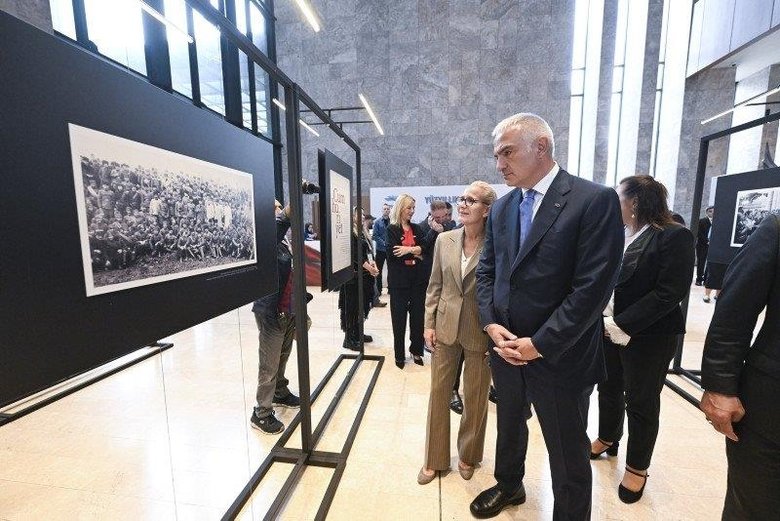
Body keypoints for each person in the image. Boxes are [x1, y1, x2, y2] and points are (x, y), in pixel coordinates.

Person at [472, 113, 624, 519]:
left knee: (566, 450)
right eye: (496, 155)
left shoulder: (592, 200)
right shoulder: (503, 208)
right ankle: (509, 485)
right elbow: (488, 271)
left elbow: (593, 288)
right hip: (505, 348)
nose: (499, 164)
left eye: (507, 152)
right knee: (509, 426)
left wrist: (540, 343)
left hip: (561, 355)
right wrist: (491, 324)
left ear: (540, 146)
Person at [590, 175, 695, 504]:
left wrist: (622, 323)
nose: (614, 204)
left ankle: (637, 466)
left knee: (641, 400)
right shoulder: (620, 234)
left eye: (619, 198)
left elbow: (670, 292)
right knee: (607, 387)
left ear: (634, 201)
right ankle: (608, 437)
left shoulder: (674, 236)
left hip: (648, 334)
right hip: (607, 328)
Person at [700, 214, 780, 520]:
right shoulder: (776, 229)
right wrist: (720, 386)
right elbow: (734, 313)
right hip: (771, 413)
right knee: (755, 509)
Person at [418, 181, 497, 485]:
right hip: (445, 325)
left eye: (472, 201)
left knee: (475, 397)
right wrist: (428, 323)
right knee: (439, 394)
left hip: (480, 328)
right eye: (462, 199)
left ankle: (468, 454)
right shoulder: (445, 241)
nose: (463, 204)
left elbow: (501, 292)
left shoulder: (497, 243)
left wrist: (496, 333)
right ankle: (434, 459)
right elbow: (435, 285)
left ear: (487, 209)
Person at [250, 199, 305, 435]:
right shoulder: (263, 238)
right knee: (269, 363)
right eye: (273, 208)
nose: (278, 211)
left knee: (283, 355)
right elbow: (279, 224)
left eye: (279, 207)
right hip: (270, 310)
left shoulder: (282, 242)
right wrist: (289, 207)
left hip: (286, 307)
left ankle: (280, 392)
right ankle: (261, 412)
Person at [386, 194, 429, 369]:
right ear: (400, 208)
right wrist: (416, 252)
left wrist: (408, 250)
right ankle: (399, 354)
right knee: (399, 319)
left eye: (413, 208)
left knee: (418, 318)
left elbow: (426, 249)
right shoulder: (392, 229)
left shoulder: (418, 228)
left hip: (418, 281)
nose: (412, 211)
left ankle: (417, 350)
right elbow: (393, 254)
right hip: (399, 283)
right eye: (409, 207)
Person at [339, 207, 380, 350]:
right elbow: (356, 256)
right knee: (352, 308)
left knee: (360, 307)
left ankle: (357, 334)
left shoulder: (363, 233)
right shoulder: (350, 233)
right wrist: (371, 268)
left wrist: (372, 264)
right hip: (353, 278)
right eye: (359, 214)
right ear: (352, 215)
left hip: (364, 277)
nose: (363, 216)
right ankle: (349, 339)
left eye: (363, 214)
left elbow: (367, 253)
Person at [373, 203, 391, 299]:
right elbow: (375, 236)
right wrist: (384, 243)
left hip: (390, 250)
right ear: (382, 210)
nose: (386, 210)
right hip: (380, 250)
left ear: (390, 210)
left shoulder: (392, 222)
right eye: (384, 209)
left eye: (388, 209)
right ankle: (379, 290)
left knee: (391, 270)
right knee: (378, 270)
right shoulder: (377, 222)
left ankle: (390, 289)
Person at [696, 206, 714, 286]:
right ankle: (699, 279)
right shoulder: (701, 221)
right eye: (710, 211)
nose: (712, 213)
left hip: (713, 246)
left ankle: (706, 279)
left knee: (709, 262)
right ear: (707, 212)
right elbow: (698, 233)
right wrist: (707, 241)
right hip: (702, 245)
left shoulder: (717, 222)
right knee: (701, 262)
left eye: (713, 211)